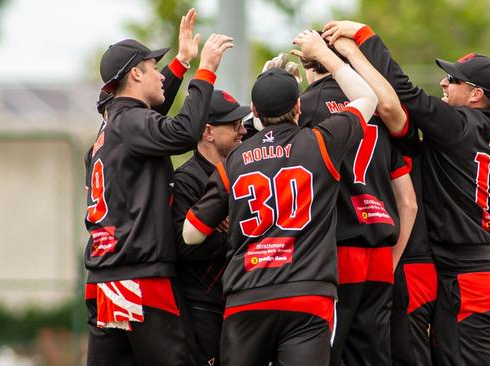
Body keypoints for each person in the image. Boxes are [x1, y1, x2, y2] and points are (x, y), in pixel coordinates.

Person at [182, 30, 378, 366]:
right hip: (307, 296)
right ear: (299, 106)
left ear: (254, 112)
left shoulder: (235, 160)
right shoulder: (320, 142)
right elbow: (368, 98)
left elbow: (191, 233)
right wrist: (328, 56)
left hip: (246, 298)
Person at [323, 21, 490, 365]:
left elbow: (404, 94)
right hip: (484, 275)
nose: (444, 81)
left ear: (476, 95)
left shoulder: (460, 126)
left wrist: (362, 40)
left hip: (466, 278)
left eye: (454, 80)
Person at [83, 8, 234, 365]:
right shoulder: (130, 122)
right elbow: (181, 132)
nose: (160, 77)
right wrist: (206, 70)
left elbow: (151, 119)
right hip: (139, 278)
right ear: (135, 73)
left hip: (105, 278)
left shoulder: (108, 132)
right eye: (153, 69)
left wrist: (181, 62)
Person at [286, 36, 417, 366]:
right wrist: (392, 258)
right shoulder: (378, 113)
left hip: (335, 251)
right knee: (371, 356)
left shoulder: (307, 105)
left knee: (324, 354)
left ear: (306, 62)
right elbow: (409, 203)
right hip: (380, 253)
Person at [172, 89, 250, 366]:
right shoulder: (187, 179)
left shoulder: (244, 167)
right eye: (233, 125)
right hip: (202, 305)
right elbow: (183, 245)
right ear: (208, 132)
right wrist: (236, 235)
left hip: (239, 301)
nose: (241, 131)